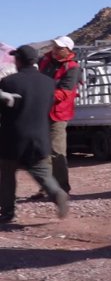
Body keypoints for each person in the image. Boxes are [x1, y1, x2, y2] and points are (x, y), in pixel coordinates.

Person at [0, 45, 69, 223]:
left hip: (12, 138)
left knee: (7, 176)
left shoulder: (8, 83)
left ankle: (8, 213)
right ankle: (57, 193)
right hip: (40, 137)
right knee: (42, 173)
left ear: (19, 61)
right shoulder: (48, 83)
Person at [30, 36, 79, 199]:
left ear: (68, 51)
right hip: (41, 111)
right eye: (55, 47)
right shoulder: (45, 60)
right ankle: (46, 187)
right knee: (41, 151)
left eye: (60, 48)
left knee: (57, 151)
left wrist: (41, 95)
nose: (56, 50)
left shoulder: (72, 67)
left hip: (57, 114)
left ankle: (63, 188)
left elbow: (65, 92)